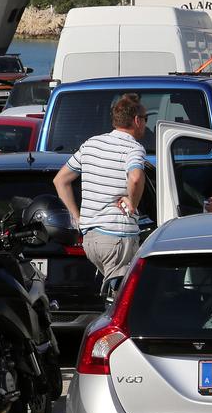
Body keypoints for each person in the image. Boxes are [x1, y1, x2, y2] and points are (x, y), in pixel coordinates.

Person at [54, 93, 148, 283]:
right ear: (137, 120)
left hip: (90, 239)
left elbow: (61, 180)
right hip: (116, 237)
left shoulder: (91, 144)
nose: (146, 124)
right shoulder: (133, 148)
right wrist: (132, 204)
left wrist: (78, 217)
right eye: (146, 119)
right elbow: (136, 178)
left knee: (115, 297)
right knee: (124, 299)